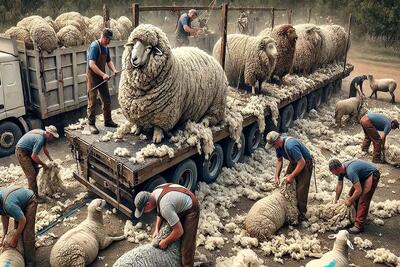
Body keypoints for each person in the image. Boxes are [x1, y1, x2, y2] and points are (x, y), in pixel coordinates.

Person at [134, 183, 199, 267]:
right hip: (177, 202)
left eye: (144, 210)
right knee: (168, 225)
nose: (145, 212)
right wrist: (157, 229)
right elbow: (159, 211)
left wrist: (166, 242)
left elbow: (179, 231)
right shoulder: (154, 193)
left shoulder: (165, 206)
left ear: (148, 205)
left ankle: (188, 264)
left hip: (191, 208)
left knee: (186, 247)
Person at [265, 131, 314, 222]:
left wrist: (292, 176)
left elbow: (302, 162)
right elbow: (279, 160)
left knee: (301, 189)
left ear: (277, 141)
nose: (273, 148)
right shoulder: (278, 147)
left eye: (273, 145)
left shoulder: (290, 146)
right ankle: (288, 207)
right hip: (294, 161)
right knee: (286, 184)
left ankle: (301, 213)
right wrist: (277, 176)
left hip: (305, 163)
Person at [329, 158, 380, 234]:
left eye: (335, 173)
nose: (335, 175)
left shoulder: (350, 171)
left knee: (363, 199)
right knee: (351, 195)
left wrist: (350, 201)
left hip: (371, 174)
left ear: (338, 168)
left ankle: (359, 226)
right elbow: (339, 185)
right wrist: (336, 199)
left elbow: (358, 191)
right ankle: (355, 217)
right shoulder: (341, 171)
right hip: (362, 176)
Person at [86, 28, 119, 134]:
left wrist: (113, 70)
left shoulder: (106, 48)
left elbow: (108, 61)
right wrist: (103, 74)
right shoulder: (95, 46)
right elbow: (91, 64)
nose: (109, 42)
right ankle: (91, 124)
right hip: (92, 76)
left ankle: (108, 121)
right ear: (104, 37)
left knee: (107, 99)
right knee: (92, 100)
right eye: (108, 39)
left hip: (101, 76)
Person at [15, 125, 58, 199]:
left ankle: (31, 189)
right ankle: (33, 198)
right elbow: (34, 156)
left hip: (27, 150)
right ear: (49, 134)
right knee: (31, 174)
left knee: (36, 169)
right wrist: (43, 164)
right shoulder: (40, 139)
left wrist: (50, 159)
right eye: (52, 137)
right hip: (21, 152)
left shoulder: (43, 135)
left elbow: (45, 149)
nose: (52, 139)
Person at [0, 186, 37, 266]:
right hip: (17, 201)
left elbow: (23, 220)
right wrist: (4, 235)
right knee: (18, 230)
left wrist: (15, 237)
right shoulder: (2, 204)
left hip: (30, 200)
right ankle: (22, 254)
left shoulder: (9, 205)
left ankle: (30, 263)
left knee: (27, 232)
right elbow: (4, 215)